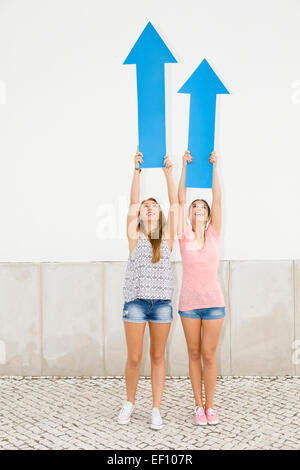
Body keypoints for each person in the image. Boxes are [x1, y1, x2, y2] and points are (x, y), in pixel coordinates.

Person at [118, 144, 178, 430]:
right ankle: (129, 402)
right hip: (136, 304)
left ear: (159, 214)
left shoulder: (166, 241)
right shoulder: (134, 238)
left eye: (153, 205)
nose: (149, 207)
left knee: (157, 356)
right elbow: (132, 202)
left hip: (162, 305)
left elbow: (176, 206)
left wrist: (169, 174)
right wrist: (136, 171)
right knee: (134, 356)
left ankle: (155, 408)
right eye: (145, 206)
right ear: (140, 215)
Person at [177, 149, 225, 426]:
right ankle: (198, 406)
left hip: (214, 303)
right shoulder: (183, 235)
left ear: (207, 215)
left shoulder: (215, 233)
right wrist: (184, 166)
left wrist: (214, 167)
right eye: (195, 207)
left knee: (209, 354)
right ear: (190, 213)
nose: (199, 209)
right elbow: (179, 198)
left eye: (202, 207)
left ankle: (211, 406)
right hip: (189, 305)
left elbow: (218, 199)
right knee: (193, 353)